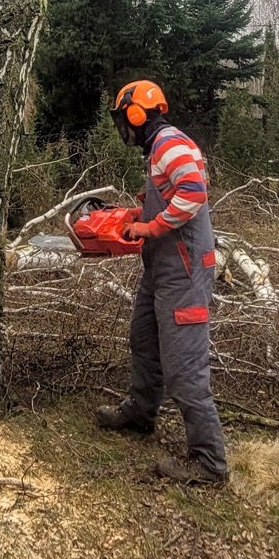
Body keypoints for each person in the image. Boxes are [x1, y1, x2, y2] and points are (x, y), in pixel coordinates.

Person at [94, 79, 230, 485]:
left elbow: (193, 193)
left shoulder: (168, 144)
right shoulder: (160, 148)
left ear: (137, 115)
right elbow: (174, 191)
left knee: (184, 367)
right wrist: (137, 211)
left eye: (125, 120)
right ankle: (140, 412)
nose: (124, 128)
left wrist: (150, 226)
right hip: (162, 270)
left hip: (183, 272)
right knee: (144, 339)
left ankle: (209, 462)